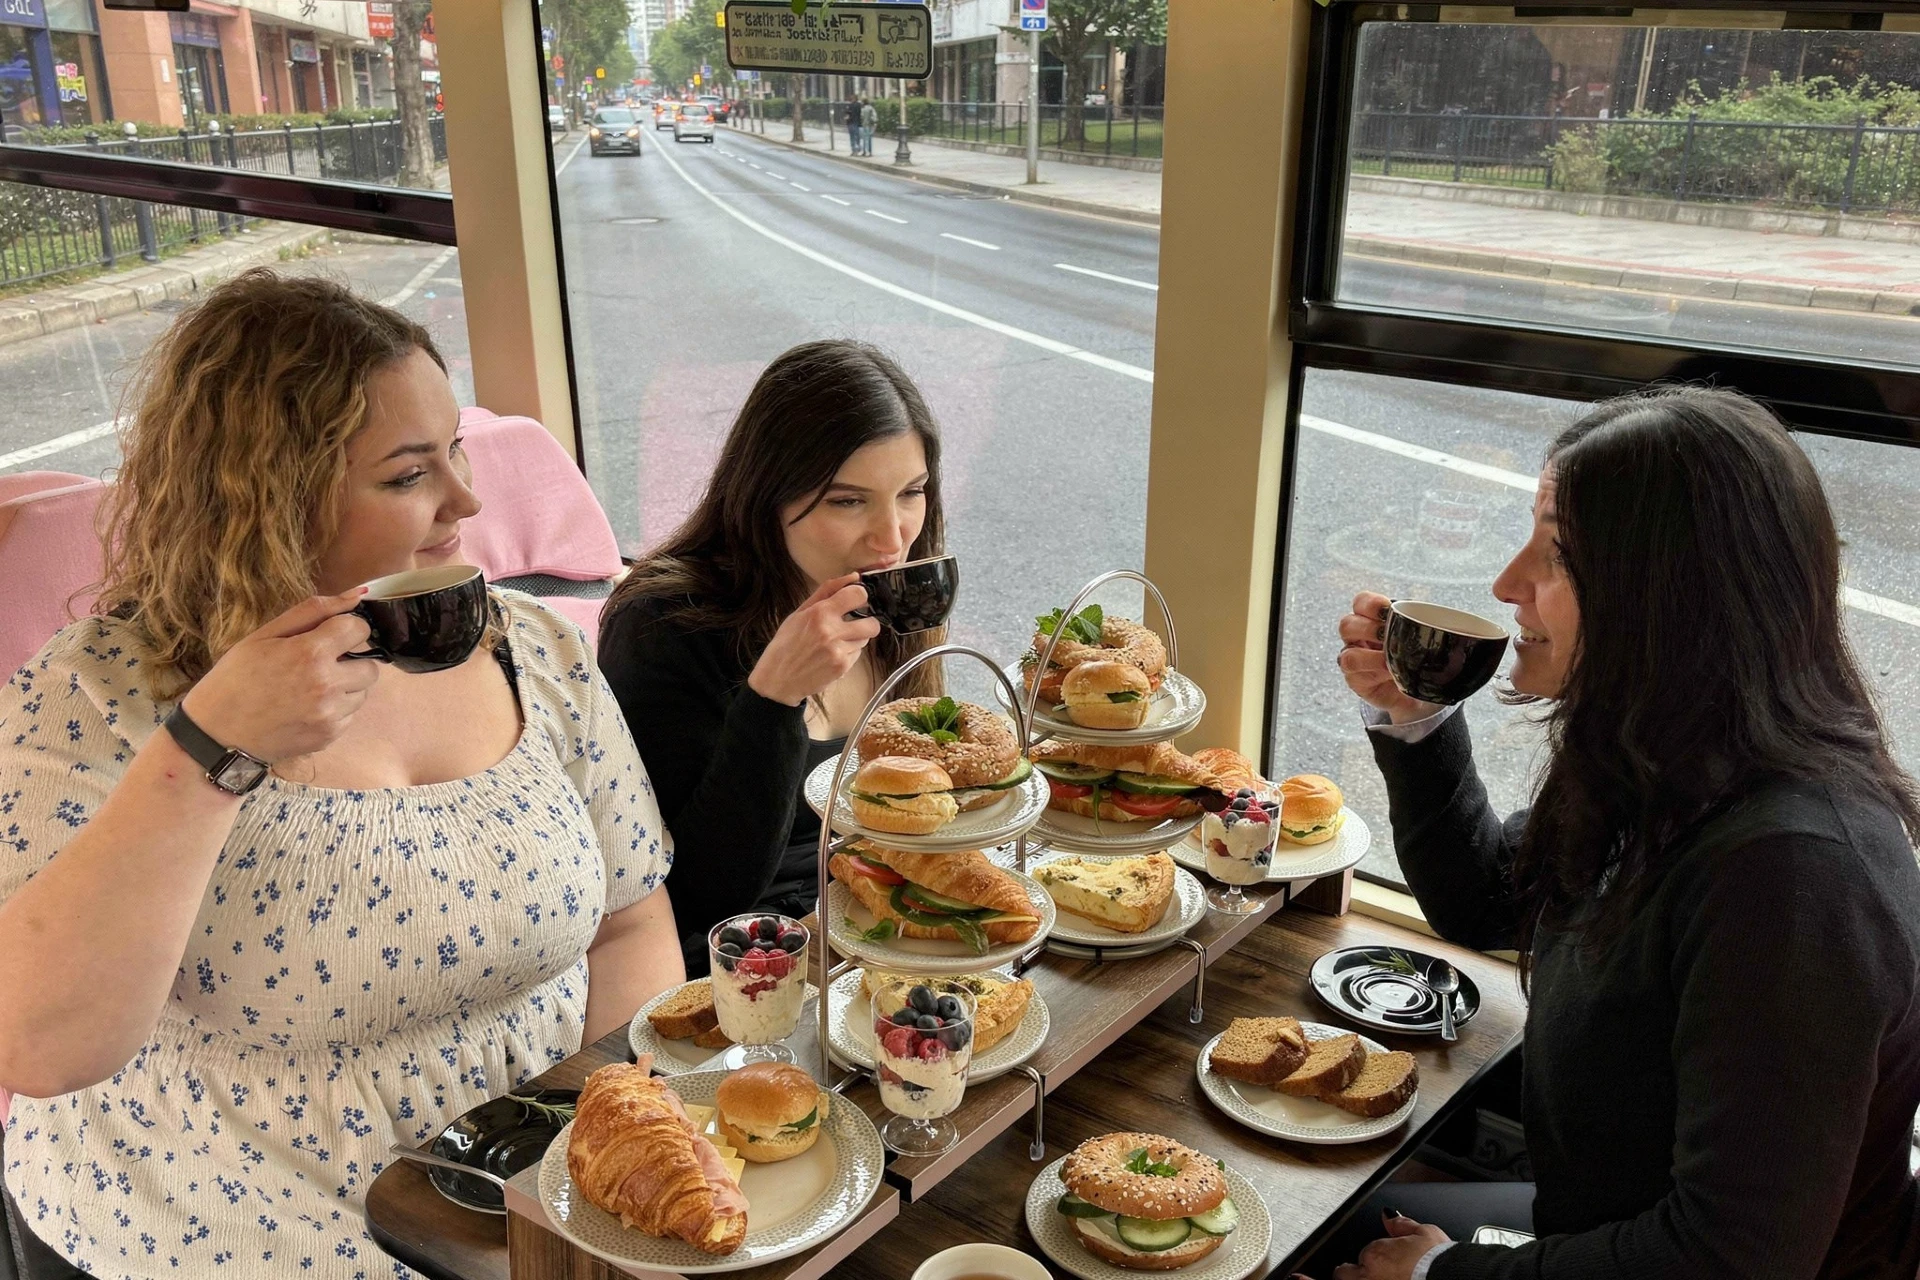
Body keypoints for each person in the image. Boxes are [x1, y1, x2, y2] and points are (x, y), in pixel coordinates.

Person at [0, 270, 684, 1278]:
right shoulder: (97, 698)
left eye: (455, 449)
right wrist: (211, 750)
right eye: (409, 475)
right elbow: (43, 1047)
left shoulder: (532, 650)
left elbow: (630, 919)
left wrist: (595, 1141)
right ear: (265, 497)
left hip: (529, 1203)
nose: (467, 499)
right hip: (211, 1232)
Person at [1312, 387, 1920, 1280]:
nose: (1507, 584)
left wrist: (1443, 1275)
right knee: (1300, 1212)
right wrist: (1415, 716)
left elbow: (1728, 1258)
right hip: (1589, 1223)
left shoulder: (1796, 878)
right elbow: (1484, 897)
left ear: (1671, 595)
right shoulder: (1666, 760)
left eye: (1557, 553)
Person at [598, 340, 945, 975]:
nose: (892, 536)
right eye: (847, 500)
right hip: (743, 962)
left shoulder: (891, 594)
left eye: (911, 492)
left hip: (881, 919)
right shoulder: (662, 624)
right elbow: (700, 895)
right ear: (768, 494)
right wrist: (772, 701)